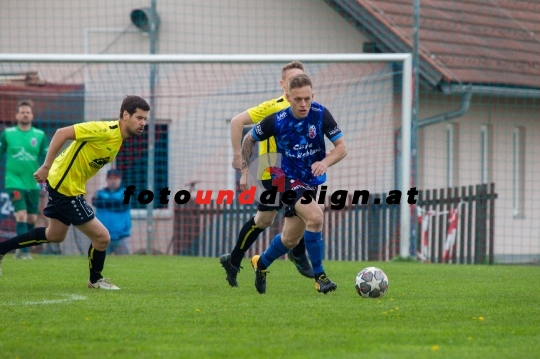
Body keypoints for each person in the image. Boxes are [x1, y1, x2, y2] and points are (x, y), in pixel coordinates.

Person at [0, 95, 150, 289]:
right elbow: (61, 133)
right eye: (139, 118)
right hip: (64, 188)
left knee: (55, 235)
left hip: (68, 187)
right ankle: (95, 280)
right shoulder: (104, 130)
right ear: (125, 115)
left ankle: (2, 249)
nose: (143, 123)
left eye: (145, 119)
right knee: (102, 237)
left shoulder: (118, 140)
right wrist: (46, 166)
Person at [240, 74, 347, 294]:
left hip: (310, 181)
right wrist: (244, 170)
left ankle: (260, 264)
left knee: (290, 238)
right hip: (285, 179)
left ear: (312, 96)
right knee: (316, 217)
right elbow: (248, 139)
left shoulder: (320, 114)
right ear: (288, 97)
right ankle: (321, 278)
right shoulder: (277, 120)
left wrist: (325, 162)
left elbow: (341, 148)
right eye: (298, 99)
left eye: (307, 98)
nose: (303, 104)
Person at [220, 61, 315, 287]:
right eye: (292, 81)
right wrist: (239, 160)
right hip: (272, 169)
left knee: (264, 219)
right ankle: (298, 253)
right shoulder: (274, 107)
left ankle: (233, 260)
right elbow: (237, 122)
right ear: (284, 85)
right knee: (291, 210)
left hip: (295, 171)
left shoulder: (310, 108)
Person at [0, 100, 49, 260]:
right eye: (22, 112)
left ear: (32, 115)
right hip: (13, 181)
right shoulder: (8, 134)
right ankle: (24, 252)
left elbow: (47, 157)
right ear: (17, 115)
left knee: (32, 218)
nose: (25, 114)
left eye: (28, 112)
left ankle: (22, 247)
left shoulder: (40, 135)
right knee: (20, 215)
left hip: (33, 183)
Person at [92, 169, 131, 255]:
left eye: (116, 179)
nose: (113, 181)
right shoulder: (100, 193)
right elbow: (95, 202)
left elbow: (122, 205)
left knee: (125, 263)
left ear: (120, 180)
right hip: (102, 236)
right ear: (106, 180)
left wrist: (105, 203)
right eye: (111, 179)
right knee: (99, 261)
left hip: (121, 236)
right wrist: (114, 202)